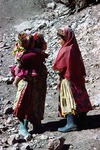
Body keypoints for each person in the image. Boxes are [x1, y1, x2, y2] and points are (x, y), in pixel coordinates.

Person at [53, 26, 92, 132]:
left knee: (69, 100)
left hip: (67, 79)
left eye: (60, 39)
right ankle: (82, 120)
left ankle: (71, 123)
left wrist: (58, 73)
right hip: (77, 80)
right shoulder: (74, 48)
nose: (58, 41)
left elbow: (60, 67)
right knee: (79, 98)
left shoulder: (65, 49)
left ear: (66, 38)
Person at [11, 32, 48, 140]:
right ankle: (24, 127)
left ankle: (34, 125)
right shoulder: (32, 55)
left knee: (32, 103)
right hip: (29, 83)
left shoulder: (28, 55)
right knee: (27, 104)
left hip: (34, 83)